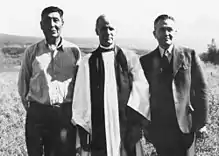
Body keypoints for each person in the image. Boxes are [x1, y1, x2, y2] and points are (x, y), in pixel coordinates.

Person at [72, 14, 150, 156]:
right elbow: (80, 95)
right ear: (96, 31)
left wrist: (135, 121)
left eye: (111, 28)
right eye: (103, 29)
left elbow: (141, 89)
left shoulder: (129, 58)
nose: (107, 32)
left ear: (116, 31)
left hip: (125, 124)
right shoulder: (87, 62)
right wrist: (83, 127)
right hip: (99, 127)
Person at [140, 14, 208, 156]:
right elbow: (143, 96)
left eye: (170, 29)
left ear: (175, 32)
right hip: (160, 129)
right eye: (162, 30)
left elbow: (201, 89)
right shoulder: (146, 61)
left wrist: (201, 123)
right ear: (155, 34)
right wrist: (146, 127)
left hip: (185, 126)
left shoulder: (189, 55)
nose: (166, 33)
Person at [18, 6, 81, 156]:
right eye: (47, 21)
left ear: (62, 23)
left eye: (56, 20)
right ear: (41, 25)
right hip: (38, 116)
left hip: (65, 116)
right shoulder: (32, 52)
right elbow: (23, 86)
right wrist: (35, 111)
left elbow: (80, 87)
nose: (52, 24)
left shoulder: (74, 51)